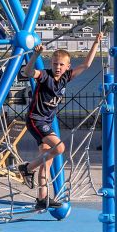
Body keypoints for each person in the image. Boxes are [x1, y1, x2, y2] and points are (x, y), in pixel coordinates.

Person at [19, 34, 103, 212]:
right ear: (51, 65)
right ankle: (27, 167)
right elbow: (27, 72)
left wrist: (96, 42)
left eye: (61, 65)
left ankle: (41, 199)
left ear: (67, 67)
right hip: (36, 120)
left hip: (47, 122)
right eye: (55, 64)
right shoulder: (44, 76)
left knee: (47, 162)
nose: (58, 67)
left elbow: (86, 64)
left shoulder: (66, 78)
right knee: (60, 148)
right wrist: (35, 55)